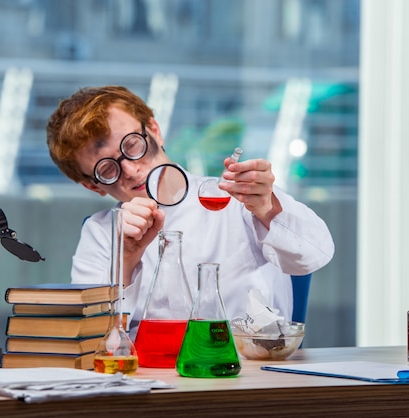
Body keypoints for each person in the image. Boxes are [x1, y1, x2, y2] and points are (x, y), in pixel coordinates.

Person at [46, 85, 335, 336]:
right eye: (108, 169)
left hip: (244, 371)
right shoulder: (101, 233)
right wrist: (128, 259)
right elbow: (91, 336)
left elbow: (315, 254)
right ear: (93, 187)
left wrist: (268, 209)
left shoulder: (236, 198)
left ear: (155, 131)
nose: (131, 170)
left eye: (133, 145)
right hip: (151, 378)